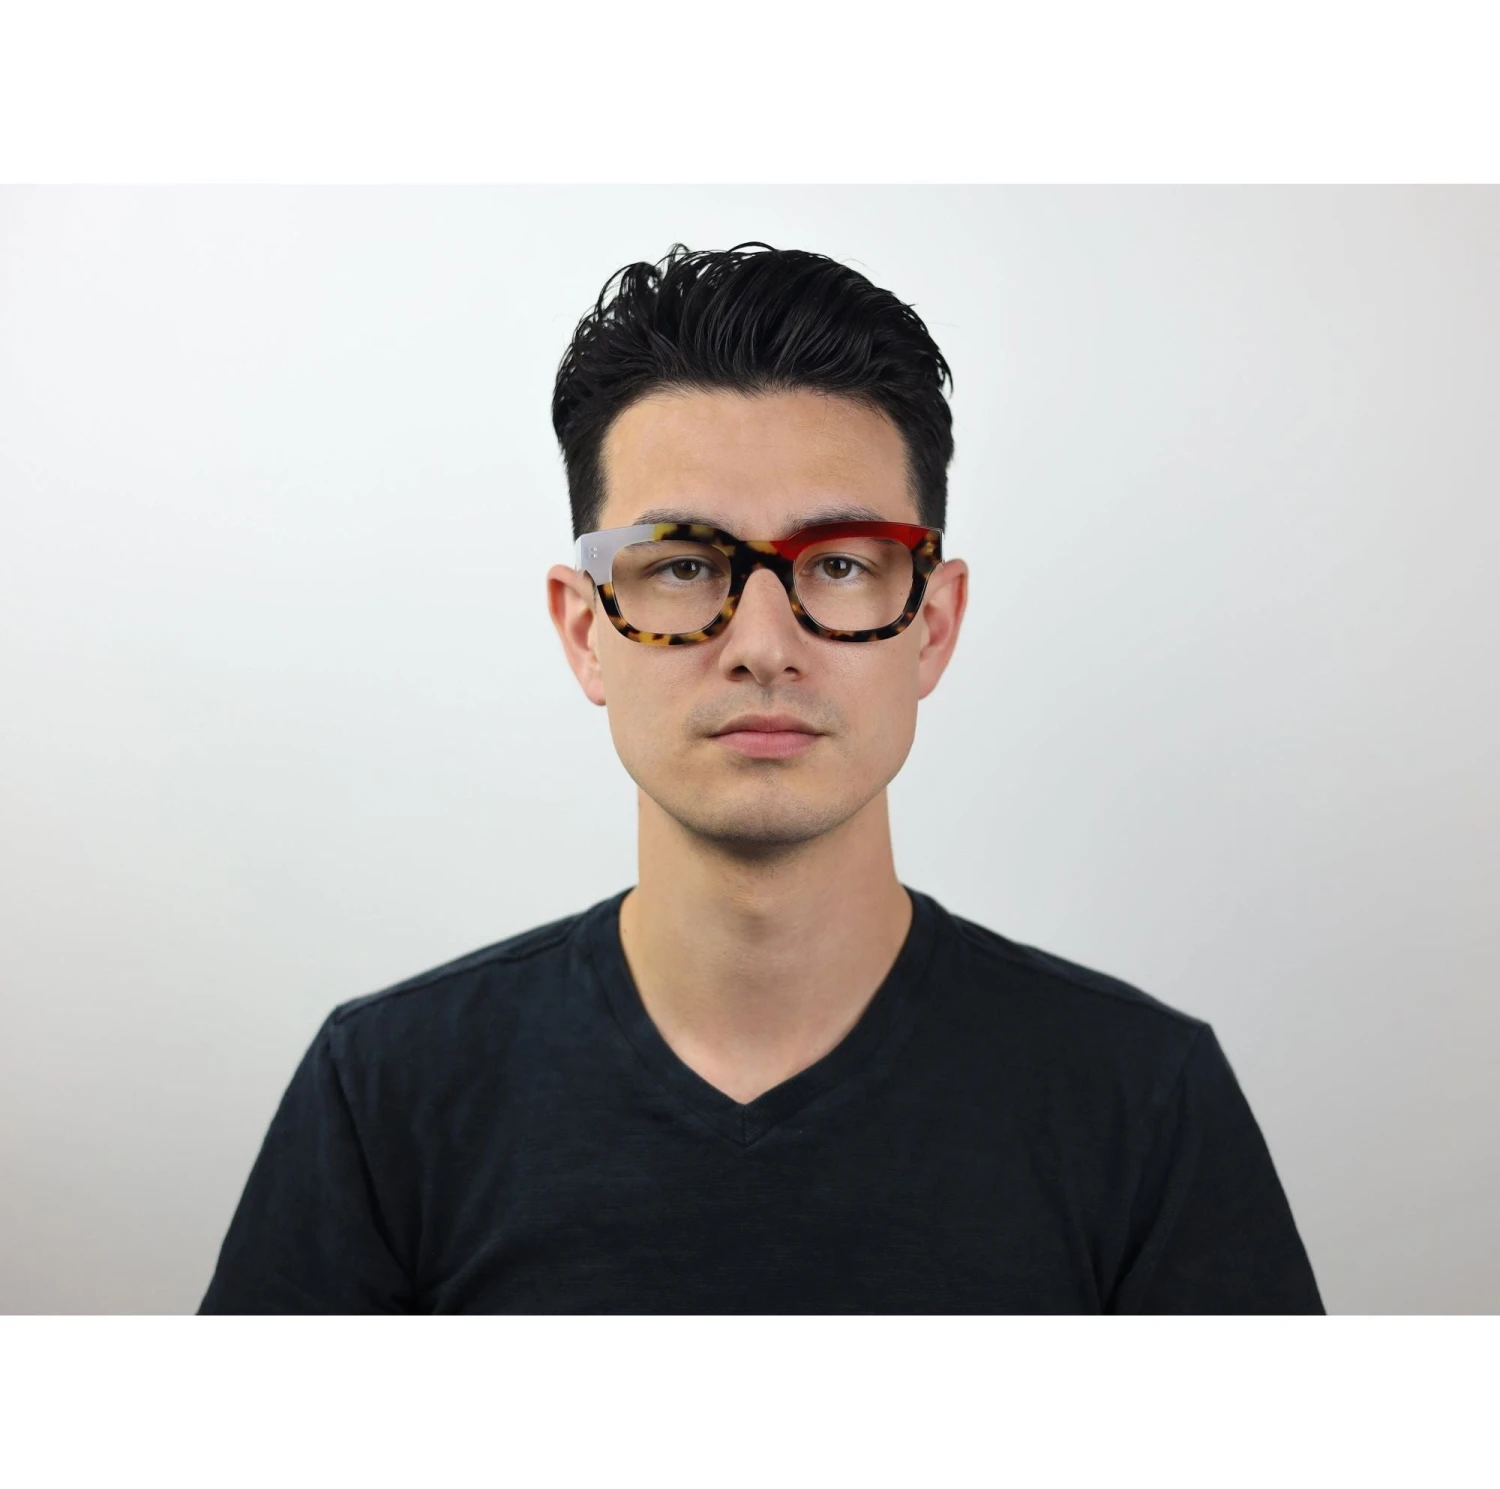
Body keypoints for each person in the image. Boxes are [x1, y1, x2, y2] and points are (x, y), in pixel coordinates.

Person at [199, 241, 1323, 1314]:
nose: (764, 645)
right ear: (585, 632)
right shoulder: (387, 1093)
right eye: (685, 565)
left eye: (838, 565)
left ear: (933, 627)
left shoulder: (1143, 1099)